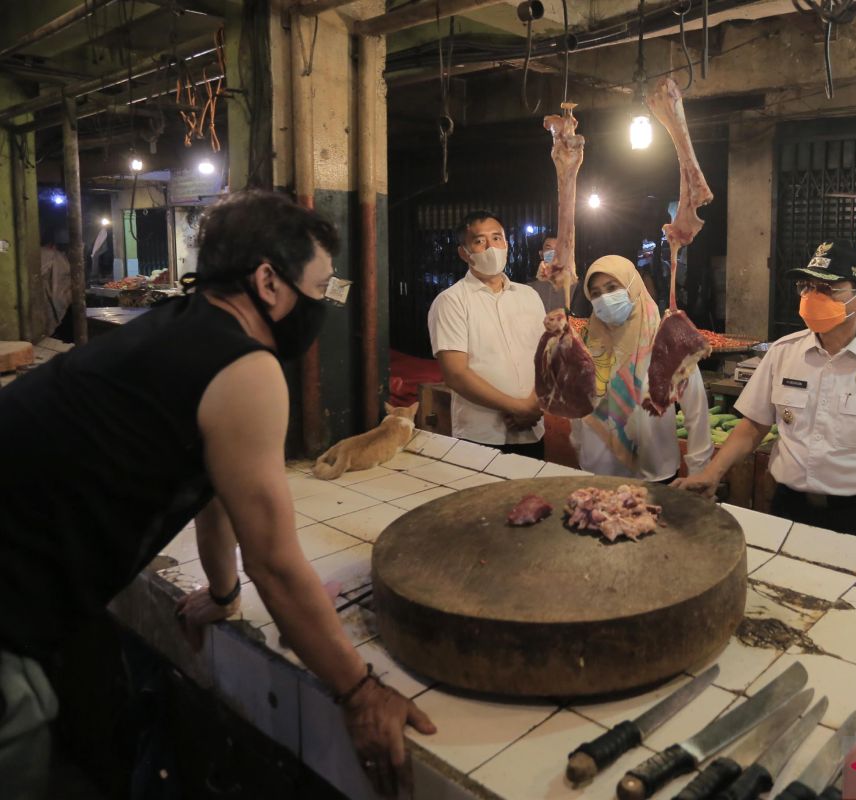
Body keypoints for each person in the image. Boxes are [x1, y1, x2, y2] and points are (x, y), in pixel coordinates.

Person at [0, 191, 434, 799]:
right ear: (268, 281)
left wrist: (225, 592)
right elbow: (277, 565)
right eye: (322, 287)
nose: (323, 305)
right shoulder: (244, 367)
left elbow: (211, 488)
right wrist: (360, 691)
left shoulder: (183, 328)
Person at [675, 240, 856, 543]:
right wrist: (712, 473)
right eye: (807, 286)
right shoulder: (783, 353)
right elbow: (754, 427)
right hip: (789, 507)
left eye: (828, 289)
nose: (813, 297)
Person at [570, 255, 712, 481]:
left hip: (654, 474)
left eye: (612, 287)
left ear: (633, 286)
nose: (604, 298)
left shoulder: (668, 342)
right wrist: (580, 449)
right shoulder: (588, 344)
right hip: (596, 472)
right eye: (595, 293)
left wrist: (698, 472)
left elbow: (696, 412)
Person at [428, 211, 546, 459]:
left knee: (532, 496)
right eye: (479, 241)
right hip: (480, 436)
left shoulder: (529, 296)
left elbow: (545, 358)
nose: (491, 247)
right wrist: (518, 407)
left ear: (506, 243)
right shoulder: (451, 301)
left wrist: (534, 405)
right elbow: (456, 374)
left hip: (532, 429)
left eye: (497, 238)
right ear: (464, 252)